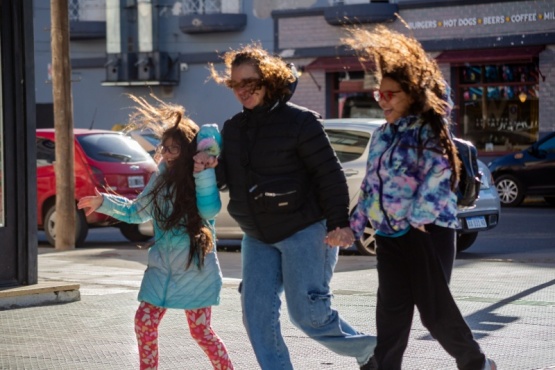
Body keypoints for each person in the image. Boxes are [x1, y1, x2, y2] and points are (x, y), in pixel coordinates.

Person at [202, 43, 376, 370]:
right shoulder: (234, 129)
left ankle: (372, 350)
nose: (243, 90)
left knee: (309, 316)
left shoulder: (300, 123)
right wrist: (208, 163)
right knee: (256, 314)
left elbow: (330, 174)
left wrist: (340, 223)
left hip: (305, 231)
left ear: (269, 80)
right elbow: (227, 179)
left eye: (250, 82)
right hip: (257, 236)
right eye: (236, 84)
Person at [344, 26, 497, 370]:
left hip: (427, 232)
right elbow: (369, 187)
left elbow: (438, 178)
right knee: (391, 316)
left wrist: (416, 220)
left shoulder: (430, 132)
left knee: (435, 314)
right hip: (388, 237)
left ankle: (477, 364)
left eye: (390, 94)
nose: (382, 101)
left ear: (411, 95)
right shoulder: (382, 135)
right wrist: (352, 228)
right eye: (378, 95)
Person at [77, 95, 233, 370]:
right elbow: (138, 212)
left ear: (188, 150)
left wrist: (204, 165)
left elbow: (209, 210)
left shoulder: (200, 175)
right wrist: (104, 201)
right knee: (144, 323)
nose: (168, 153)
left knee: (201, 333)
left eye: (175, 148)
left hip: (195, 268)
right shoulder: (160, 178)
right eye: (166, 147)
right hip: (161, 268)